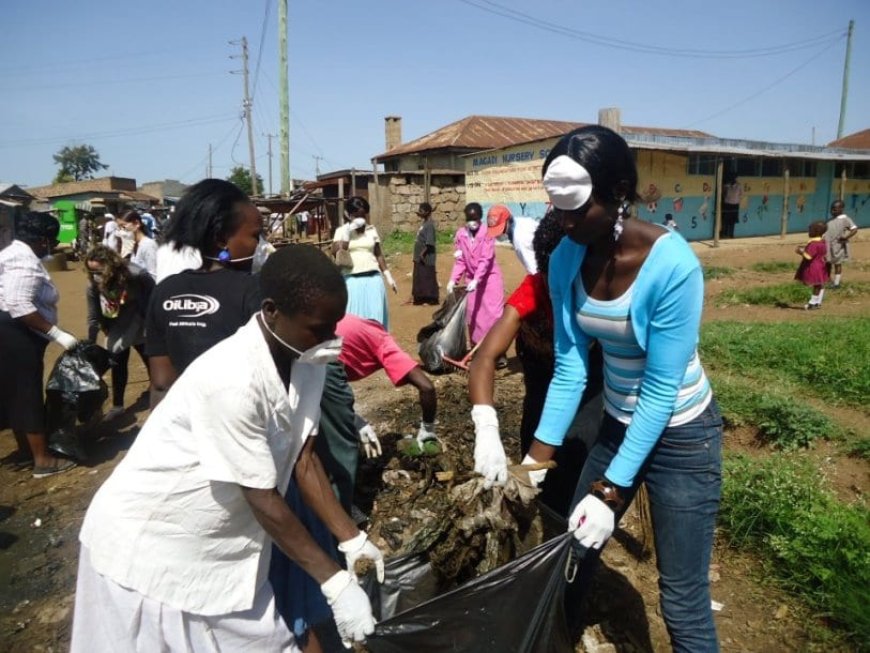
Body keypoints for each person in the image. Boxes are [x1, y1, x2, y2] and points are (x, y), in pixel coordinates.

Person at [70, 245, 381, 653]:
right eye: (320, 328)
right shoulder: (232, 379)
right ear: (272, 311)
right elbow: (262, 497)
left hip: (219, 548)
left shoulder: (305, 358)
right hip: (153, 541)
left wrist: (351, 539)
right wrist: (335, 582)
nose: (331, 340)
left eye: (334, 326)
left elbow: (303, 458)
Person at [526, 126, 722, 652]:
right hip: (618, 424)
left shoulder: (672, 265)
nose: (564, 223)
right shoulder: (567, 256)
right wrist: (532, 467)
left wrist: (610, 492)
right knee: (573, 551)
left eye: (576, 209)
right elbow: (570, 368)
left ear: (617, 194)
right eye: (557, 209)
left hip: (684, 436)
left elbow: (660, 391)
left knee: (681, 600)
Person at [468, 210, 603, 516]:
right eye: (551, 276)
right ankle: (543, 511)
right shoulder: (534, 288)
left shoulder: (601, 295)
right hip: (541, 376)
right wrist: (486, 426)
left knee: (576, 449)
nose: (560, 288)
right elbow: (485, 358)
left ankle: (568, 523)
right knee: (533, 439)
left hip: (590, 383)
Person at [145, 179, 264, 408]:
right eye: (255, 236)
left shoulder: (164, 291)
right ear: (221, 240)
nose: (258, 245)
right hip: (237, 426)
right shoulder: (254, 290)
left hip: (184, 429)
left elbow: (161, 385)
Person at [0, 212, 79, 477]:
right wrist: (57, 333)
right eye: (53, 240)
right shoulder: (23, 262)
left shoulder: (13, 253)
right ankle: (43, 460)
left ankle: (26, 448)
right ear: (44, 239)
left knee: (14, 394)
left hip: (9, 332)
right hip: (15, 334)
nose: (54, 245)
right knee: (27, 393)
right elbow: (19, 304)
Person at [84, 245, 154, 420]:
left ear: (111, 265)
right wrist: (90, 345)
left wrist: (153, 326)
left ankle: (158, 394)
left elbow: (153, 298)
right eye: (91, 272)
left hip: (140, 320)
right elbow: (93, 317)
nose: (96, 276)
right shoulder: (93, 285)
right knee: (117, 360)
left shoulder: (137, 275)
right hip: (116, 324)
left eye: (99, 271)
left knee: (151, 359)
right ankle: (118, 405)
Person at [446, 203, 505, 347]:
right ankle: (476, 347)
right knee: (474, 315)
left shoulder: (487, 233)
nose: (472, 222)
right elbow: (460, 260)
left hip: (489, 279)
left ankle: (497, 350)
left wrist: (477, 279)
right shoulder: (461, 234)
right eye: (469, 218)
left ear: (480, 218)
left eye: (475, 218)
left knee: (493, 315)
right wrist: (453, 280)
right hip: (471, 280)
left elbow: (486, 259)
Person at [332, 196, 396, 328]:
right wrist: (347, 233)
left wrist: (388, 276)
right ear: (349, 215)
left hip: (373, 279)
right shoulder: (341, 231)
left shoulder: (371, 230)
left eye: (363, 215)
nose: (361, 219)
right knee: (353, 319)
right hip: (352, 279)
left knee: (375, 319)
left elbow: (378, 254)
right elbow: (335, 252)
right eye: (356, 216)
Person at [794, 221, 829, 310]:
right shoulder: (822, 242)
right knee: (820, 284)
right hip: (821, 265)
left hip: (814, 266)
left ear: (816, 232)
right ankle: (818, 302)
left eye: (810, 230)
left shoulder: (813, 244)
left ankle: (812, 303)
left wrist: (800, 252)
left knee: (816, 284)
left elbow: (808, 256)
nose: (808, 232)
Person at [824, 199, 858, 288]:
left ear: (841, 209)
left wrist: (845, 237)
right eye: (831, 209)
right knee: (828, 263)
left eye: (835, 209)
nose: (832, 211)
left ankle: (836, 283)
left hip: (838, 246)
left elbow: (854, 229)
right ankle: (827, 279)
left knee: (837, 264)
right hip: (828, 246)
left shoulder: (845, 219)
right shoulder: (830, 219)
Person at [410, 202, 439, 305]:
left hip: (426, 257)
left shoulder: (429, 225)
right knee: (420, 277)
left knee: (427, 277)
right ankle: (420, 297)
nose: (419, 212)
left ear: (427, 212)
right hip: (419, 257)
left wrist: (422, 254)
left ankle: (431, 299)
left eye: (421, 211)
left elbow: (429, 242)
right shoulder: (424, 224)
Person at [116, 210, 158, 280]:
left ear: (137, 223)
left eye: (123, 226)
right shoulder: (135, 245)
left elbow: (154, 275)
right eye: (119, 228)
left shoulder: (148, 245)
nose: (121, 231)